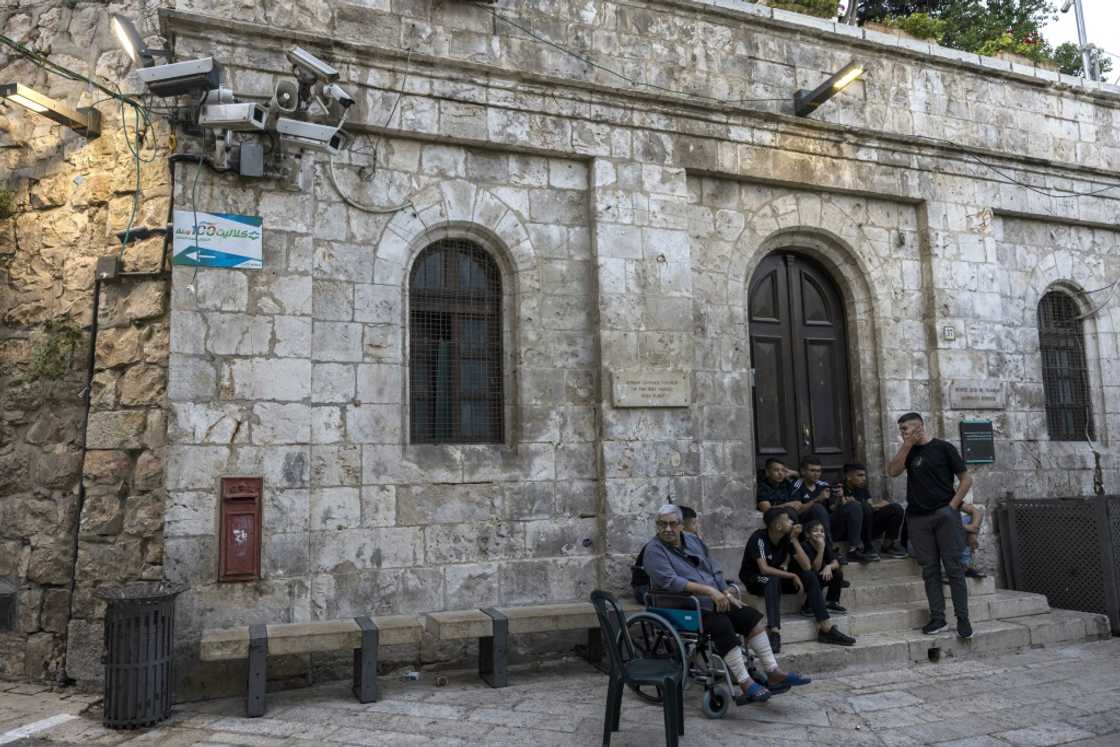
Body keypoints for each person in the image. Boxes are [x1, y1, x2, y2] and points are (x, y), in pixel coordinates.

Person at [643, 504, 812, 705]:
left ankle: (772, 670)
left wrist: (724, 591)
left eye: (672, 524)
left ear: (681, 525)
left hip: (712, 599)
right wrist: (710, 591)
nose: (667, 529)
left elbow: (714, 569)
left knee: (749, 616)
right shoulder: (654, 550)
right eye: (662, 524)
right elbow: (671, 582)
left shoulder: (693, 540)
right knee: (722, 625)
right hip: (681, 605)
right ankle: (745, 682)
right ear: (656, 526)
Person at [887, 412, 974, 639]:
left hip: (944, 515)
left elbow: (966, 479)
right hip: (917, 519)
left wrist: (952, 507)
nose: (903, 433)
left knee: (954, 568)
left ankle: (963, 619)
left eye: (905, 429)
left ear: (919, 427)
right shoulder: (908, 452)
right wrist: (906, 445)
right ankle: (938, 618)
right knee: (930, 570)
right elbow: (893, 471)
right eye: (901, 430)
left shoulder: (943, 448)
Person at [738, 507, 856, 653]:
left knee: (809, 576)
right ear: (778, 526)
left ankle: (826, 628)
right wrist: (793, 576)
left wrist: (794, 540)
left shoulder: (788, 539)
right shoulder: (759, 538)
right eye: (787, 519)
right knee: (772, 580)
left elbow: (807, 567)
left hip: (777, 577)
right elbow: (764, 569)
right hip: (755, 578)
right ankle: (774, 632)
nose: (792, 522)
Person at [631, 505, 699, 603]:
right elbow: (671, 581)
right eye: (693, 523)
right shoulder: (656, 548)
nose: (697, 527)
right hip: (647, 589)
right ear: (682, 525)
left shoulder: (689, 542)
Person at [843, 463, 907, 559]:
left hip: (868, 526)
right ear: (848, 477)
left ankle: (888, 545)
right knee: (864, 507)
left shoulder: (862, 489)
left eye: (864, 475)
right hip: (849, 530)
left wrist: (875, 506)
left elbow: (870, 506)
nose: (864, 478)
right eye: (859, 475)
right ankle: (867, 546)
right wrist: (874, 505)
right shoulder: (840, 488)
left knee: (895, 508)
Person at [795, 518, 849, 615]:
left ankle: (832, 602)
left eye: (822, 531)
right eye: (815, 531)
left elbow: (835, 563)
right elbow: (815, 568)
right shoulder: (804, 546)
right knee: (815, 575)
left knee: (837, 573)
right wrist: (821, 550)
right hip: (802, 579)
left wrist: (829, 567)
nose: (819, 533)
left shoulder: (824, 545)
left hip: (815, 576)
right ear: (807, 535)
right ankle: (808, 606)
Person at [788, 456, 837, 542]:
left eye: (818, 471)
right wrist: (817, 499)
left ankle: (855, 547)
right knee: (818, 508)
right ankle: (829, 548)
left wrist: (839, 499)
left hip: (826, 522)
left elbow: (833, 508)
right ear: (803, 471)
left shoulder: (824, 485)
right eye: (812, 470)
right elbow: (798, 510)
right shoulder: (796, 485)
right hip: (806, 524)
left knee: (853, 506)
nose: (816, 474)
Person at [959, 501, 986, 579]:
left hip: (955, 524)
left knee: (974, 518)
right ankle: (962, 567)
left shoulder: (949, 496)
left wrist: (972, 532)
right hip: (940, 526)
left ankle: (965, 566)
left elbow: (976, 513)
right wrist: (968, 528)